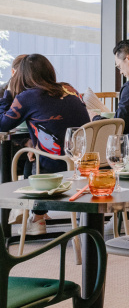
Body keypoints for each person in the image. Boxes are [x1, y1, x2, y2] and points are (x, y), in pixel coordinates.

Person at [0, 54, 90, 234]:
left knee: (28, 158)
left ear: (22, 75)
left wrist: (7, 95)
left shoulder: (27, 96)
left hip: (53, 165)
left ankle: (36, 217)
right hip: (84, 161)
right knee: (32, 154)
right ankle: (38, 215)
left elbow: (2, 125)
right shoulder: (69, 88)